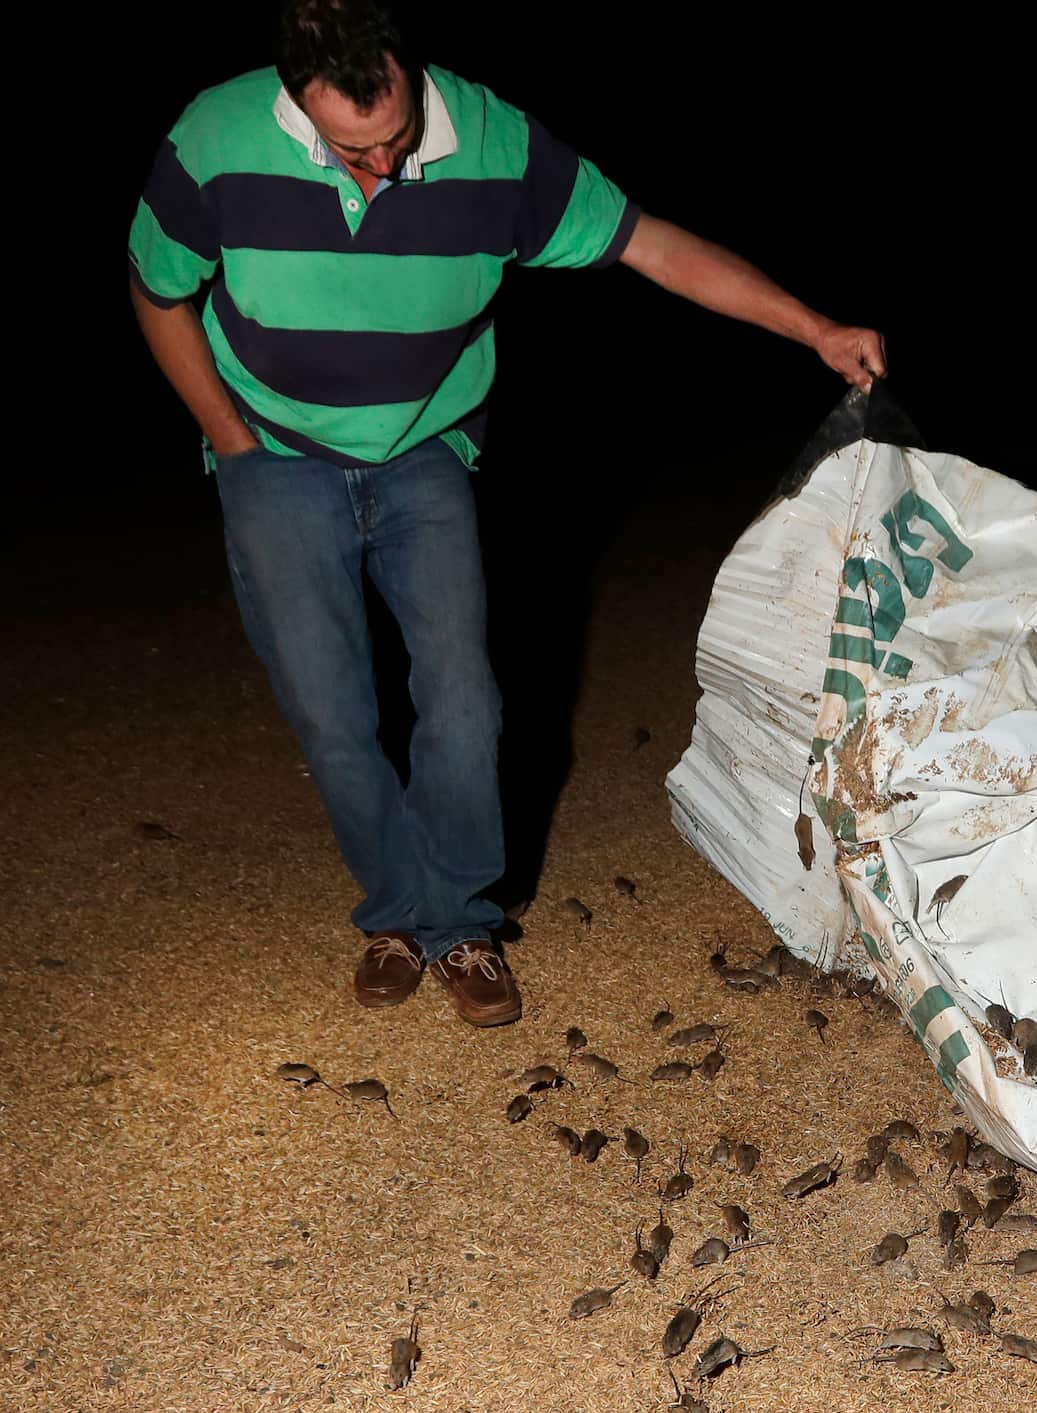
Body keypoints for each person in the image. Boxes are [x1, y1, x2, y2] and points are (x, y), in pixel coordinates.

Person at [129, 0, 887, 1029]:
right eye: (347, 151)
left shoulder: (494, 142)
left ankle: (460, 923)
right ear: (291, 96)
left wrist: (812, 327)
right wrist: (226, 435)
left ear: (409, 67)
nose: (380, 173)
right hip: (272, 455)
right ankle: (394, 913)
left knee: (463, 701)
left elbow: (652, 246)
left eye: (394, 140)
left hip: (425, 453)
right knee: (331, 711)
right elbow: (156, 288)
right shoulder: (212, 137)